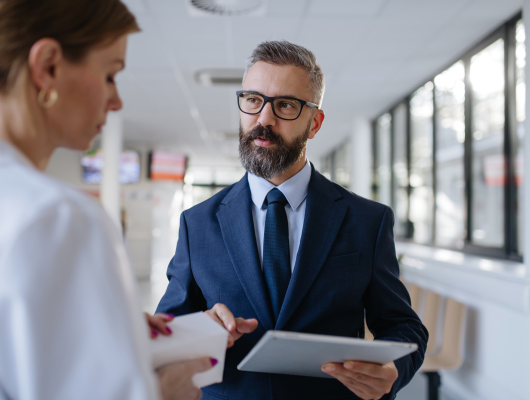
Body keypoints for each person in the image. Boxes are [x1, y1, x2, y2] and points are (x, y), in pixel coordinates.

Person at [0, 1, 214, 399]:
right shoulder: (59, 217)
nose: (116, 101)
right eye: (110, 75)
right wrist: (163, 390)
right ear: (48, 66)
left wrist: (114, 330)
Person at [156, 41, 428, 400]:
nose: (264, 119)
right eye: (253, 100)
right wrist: (198, 331)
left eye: (285, 105)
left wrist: (393, 371)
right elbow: (167, 330)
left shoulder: (368, 221)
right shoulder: (198, 223)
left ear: (314, 123)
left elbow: (402, 324)